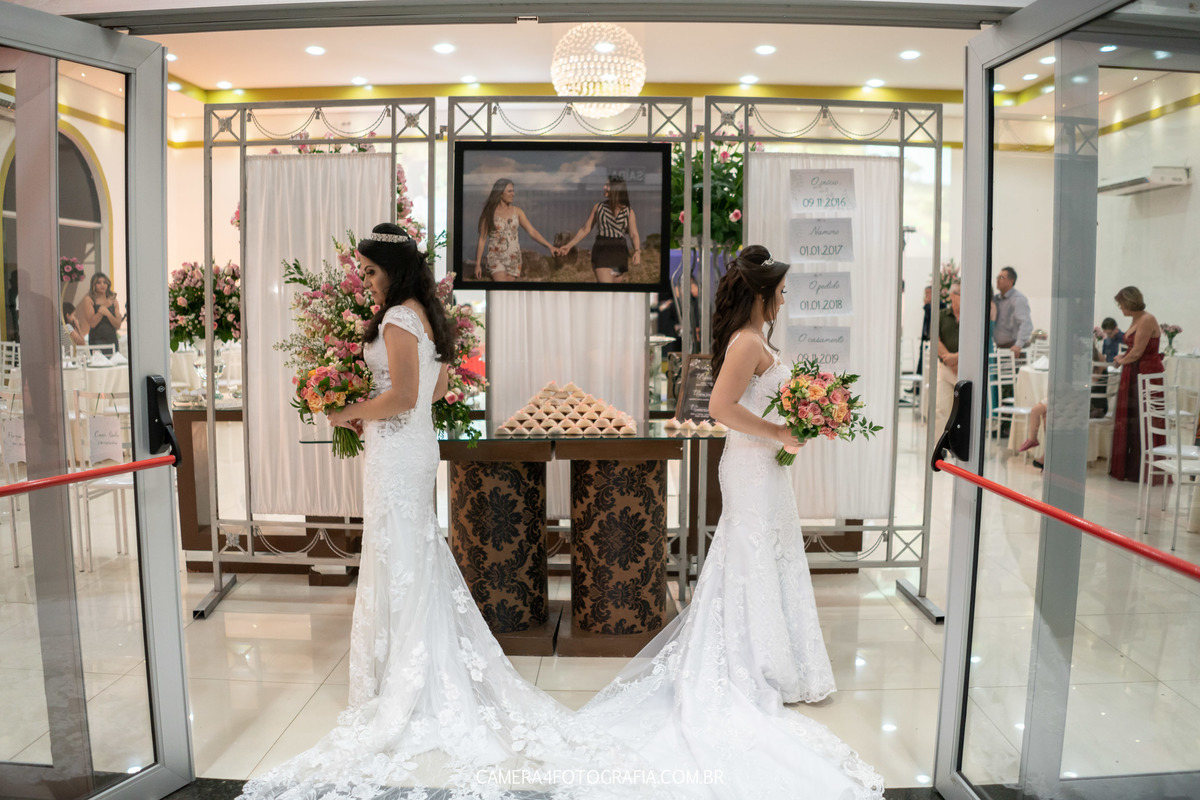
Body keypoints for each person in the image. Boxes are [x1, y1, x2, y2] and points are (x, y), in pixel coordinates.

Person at [241, 233, 883, 800]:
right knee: (407, 555)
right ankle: (411, 663)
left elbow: (411, 394)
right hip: (410, 448)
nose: (370, 282)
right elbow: (429, 391)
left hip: (399, 449)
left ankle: (402, 667)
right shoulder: (418, 319)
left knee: (403, 555)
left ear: (392, 271)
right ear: (766, 295)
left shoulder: (396, 322)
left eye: (373, 272)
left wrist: (348, 407)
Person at [1109, 285, 1165, 482]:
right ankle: (1129, 466)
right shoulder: (1136, 319)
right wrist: (1122, 357)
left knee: (1143, 419)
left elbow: (1138, 350)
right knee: (1131, 418)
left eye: (1121, 304)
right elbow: (1132, 350)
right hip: (1133, 371)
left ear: (1129, 302)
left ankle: (1145, 468)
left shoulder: (1147, 319)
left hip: (1146, 373)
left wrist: (1121, 360)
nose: (1120, 308)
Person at [558, 175, 642, 284]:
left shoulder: (629, 212)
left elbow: (634, 234)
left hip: (620, 254)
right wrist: (569, 246)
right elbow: (585, 229)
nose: (604, 187)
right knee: (605, 286)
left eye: (607, 185)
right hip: (602, 251)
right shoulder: (598, 208)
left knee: (616, 287)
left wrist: (637, 251)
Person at [472, 178, 557, 282]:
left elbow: (532, 231)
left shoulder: (517, 212)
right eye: (510, 191)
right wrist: (477, 264)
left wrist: (549, 246)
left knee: (508, 291)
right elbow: (482, 239)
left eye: (513, 191)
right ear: (500, 193)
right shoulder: (489, 213)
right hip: (496, 257)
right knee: (501, 287)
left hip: (513, 257)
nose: (513, 194)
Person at [935, 282, 962, 435]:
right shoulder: (942, 315)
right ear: (952, 295)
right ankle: (940, 446)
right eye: (959, 294)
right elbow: (935, 340)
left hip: (964, 368)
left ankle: (957, 450)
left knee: (961, 413)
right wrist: (949, 361)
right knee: (942, 409)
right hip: (946, 369)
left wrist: (956, 358)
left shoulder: (970, 316)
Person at [992, 266, 1032, 358]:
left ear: (1011, 281)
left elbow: (1026, 324)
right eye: (997, 277)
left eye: (1001, 278)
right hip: (1000, 349)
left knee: (1012, 372)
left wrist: (1018, 345)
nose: (998, 280)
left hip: (1014, 349)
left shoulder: (1018, 299)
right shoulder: (996, 299)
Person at [78, 272, 122, 355]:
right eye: (99, 282)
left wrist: (108, 314)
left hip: (112, 339)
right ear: (94, 285)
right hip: (96, 339)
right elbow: (92, 323)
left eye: (105, 282)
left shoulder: (113, 301)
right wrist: (102, 309)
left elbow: (118, 325)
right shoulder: (89, 300)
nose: (102, 285)